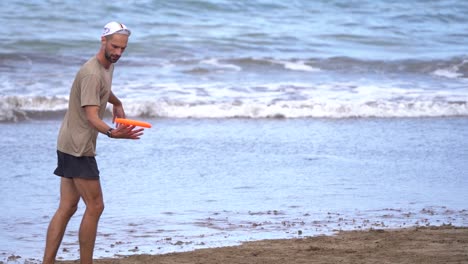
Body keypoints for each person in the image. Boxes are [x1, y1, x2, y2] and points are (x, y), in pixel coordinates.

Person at [43, 22, 144, 264]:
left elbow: (103, 88)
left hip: (68, 141)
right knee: (96, 205)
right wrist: (112, 133)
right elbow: (91, 116)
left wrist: (116, 102)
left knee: (67, 207)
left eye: (123, 48)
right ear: (103, 40)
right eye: (115, 47)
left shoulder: (106, 66)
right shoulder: (91, 72)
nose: (118, 52)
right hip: (78, 147)